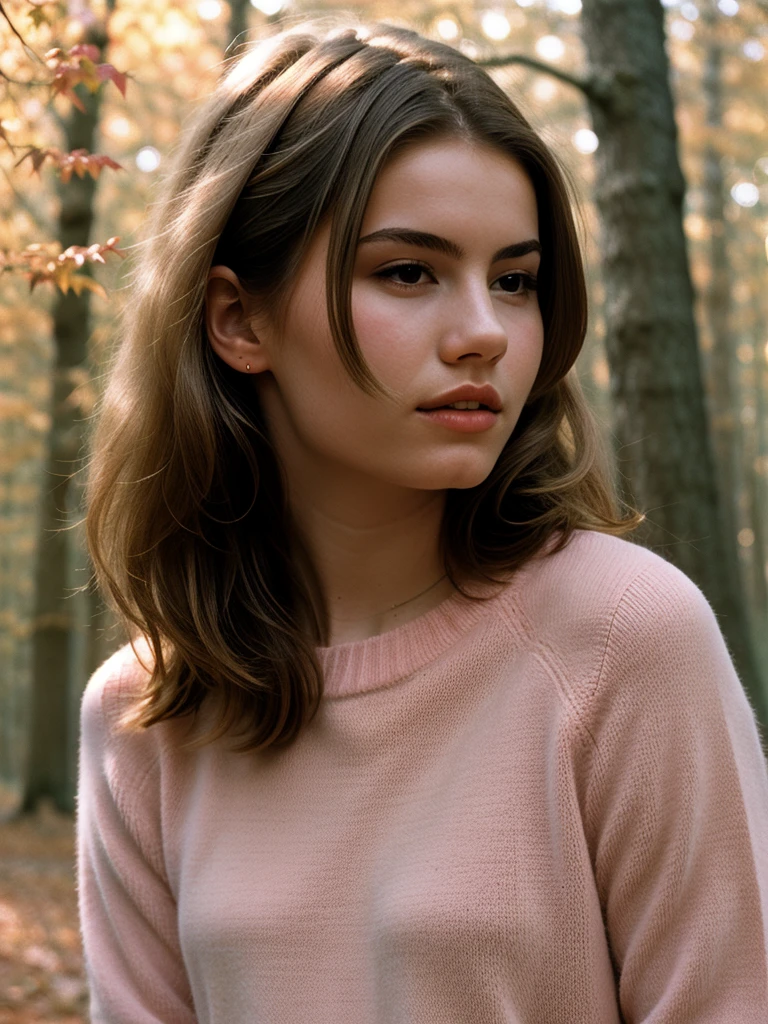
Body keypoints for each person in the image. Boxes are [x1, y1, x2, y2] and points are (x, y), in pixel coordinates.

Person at [77, 18, 768, 1024]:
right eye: (408, 271)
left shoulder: (625, 640)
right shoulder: (145, 712)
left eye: (516, 281)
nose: (485, 332)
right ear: (238, 318)